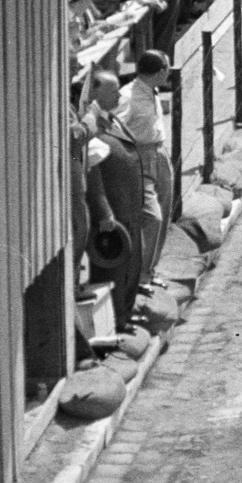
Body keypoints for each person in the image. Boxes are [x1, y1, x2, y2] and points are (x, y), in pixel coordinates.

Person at [81, 71, 160, 322]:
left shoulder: (113, 119)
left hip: (130, 206)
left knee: (132, 266)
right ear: (95, 93)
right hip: (114, 212)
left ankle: (126, 311)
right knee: (115, 270)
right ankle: (118, 320)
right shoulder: (92, 128)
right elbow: (92, 173)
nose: (119, 94)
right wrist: (104, 212)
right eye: (113, 90)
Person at [120, 50, 175, 253]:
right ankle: (141, 274)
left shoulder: (152, 90)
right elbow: (115, 127)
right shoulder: (127, 96)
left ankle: (150, 270)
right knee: (152, 217)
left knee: (165, 206)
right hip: (141, 156)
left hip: (159, 151)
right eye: (167, 69)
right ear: (160, 72)